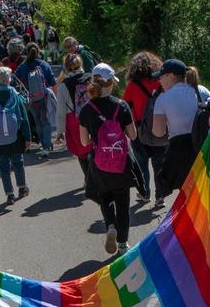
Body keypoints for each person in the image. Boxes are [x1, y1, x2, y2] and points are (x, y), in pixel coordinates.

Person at [78, 64, 138, 256]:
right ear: (111, 83)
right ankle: (122, 244)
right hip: (120, 163)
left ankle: (110, 224)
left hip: (99, 163)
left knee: (104, 197)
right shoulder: (121, 106)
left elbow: (84, 141)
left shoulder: (87, 109)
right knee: (122, 203)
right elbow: (133, 135)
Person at [149, 59, 203, 201]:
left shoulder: (163, 98)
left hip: (180, 152)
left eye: (162, 76)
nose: (159, 80)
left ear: (171, 76)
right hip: (203, 148)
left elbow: (158, 132)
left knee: (187, 195)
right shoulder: (200, 91)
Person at [0, 66, 34, 204]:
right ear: (6, 79)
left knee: (3, 166)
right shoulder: (15, 95)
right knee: (18, 162)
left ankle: (9, 194)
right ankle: (22, 187)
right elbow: (23, 117)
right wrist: (27, 137)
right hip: (15, 134)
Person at [123, 51, 167, 205]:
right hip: (160, 128)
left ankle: (145, 193)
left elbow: (126, 109)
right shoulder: (161, 83)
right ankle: (160, 196)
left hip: (139, 130)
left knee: (142, 164)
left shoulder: (133, 86)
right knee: (159, 164)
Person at [15, 43, 57, 153]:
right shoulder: (44, 65)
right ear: (38, 51)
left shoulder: (22, 67)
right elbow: (52, 82)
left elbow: (15, 81)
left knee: (37, 121)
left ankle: (43, 144)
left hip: (30, 99)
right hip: (44, 97)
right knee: (45, 121)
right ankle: (47, 146)